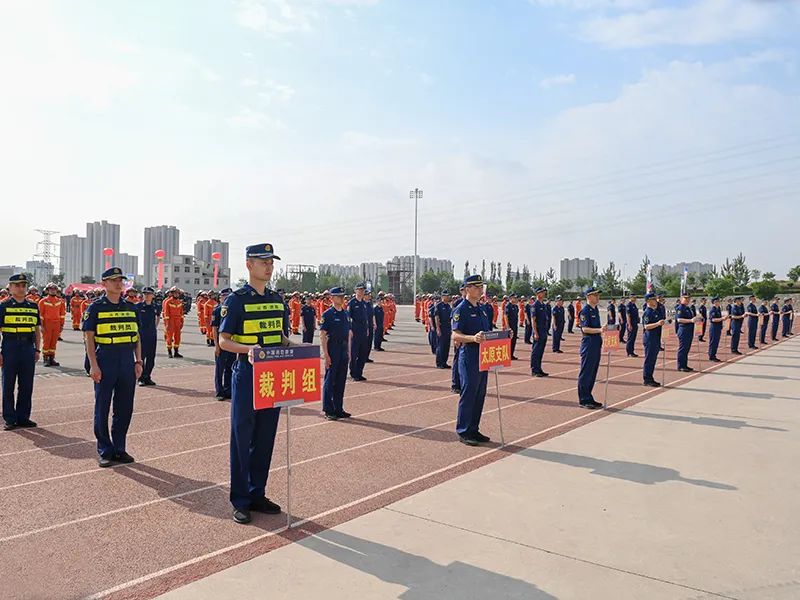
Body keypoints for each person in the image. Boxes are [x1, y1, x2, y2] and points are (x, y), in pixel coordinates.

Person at [219, 243, 292, 524]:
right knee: (242, 437)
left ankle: (257, 492)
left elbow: (280, 336)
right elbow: (223, 341)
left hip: (272, 376)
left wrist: (295, 347)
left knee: (265, 437)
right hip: (248, 374)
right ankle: (240, 499)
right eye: (263, 262)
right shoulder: (236, 301)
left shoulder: (277, 299)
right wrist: (246, 349)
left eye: (271, 262)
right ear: (249, 265)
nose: (269, 267)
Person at [82, 267, 143, 467]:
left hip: (126, 360)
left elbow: (137, 337)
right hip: (105, 359)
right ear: (104, 284)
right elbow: (89, 338)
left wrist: (138, 361)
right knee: (102, 407)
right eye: (113, 280)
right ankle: (105, 450)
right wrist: (93, 365)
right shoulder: (95, 308)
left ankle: (119, 448)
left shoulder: (131, 307)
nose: (118, 283)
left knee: (124, 407)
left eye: (120, 280)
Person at [452, 275, 490, 446]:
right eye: (477, 286)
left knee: (480, 393)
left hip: (483, 357)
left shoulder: (482, 309)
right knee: (469, 393)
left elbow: (487, 333)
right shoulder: (461, 309)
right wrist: (472, 338)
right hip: (469, 356)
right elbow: (455, 334)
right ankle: (464, 430)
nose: (480, 289)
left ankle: (474, 428)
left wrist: (504, 336)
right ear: (468, 289)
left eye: (481, 286)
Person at [1, 273, 41, 430]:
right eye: (17, 285)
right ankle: (10, 418)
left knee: (26, 385)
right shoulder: (3, 306)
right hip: (10, 348)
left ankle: (23, 417)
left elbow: (37, 330)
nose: (21, 288)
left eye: (23, 285)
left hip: (27, 349)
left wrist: (37, 349)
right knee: (8, 384)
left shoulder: (33, 306)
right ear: (10, 288)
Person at [320, 287, 352, 421]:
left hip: (343, 349)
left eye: (342, 296)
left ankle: (338, 408)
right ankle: (328, 409)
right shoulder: (327, 315)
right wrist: (326, 355)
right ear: (332, 298)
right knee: (330, 380)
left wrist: (349, 352)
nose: (341, 299)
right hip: (333, 348)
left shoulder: (345, 314)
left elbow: (349, 334)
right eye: (338, 296)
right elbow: (323, 335)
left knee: (340, 381)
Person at [577, 287, 604, 409]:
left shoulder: (595, 309)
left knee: (593, 371)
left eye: (598, 295)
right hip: (588, 343)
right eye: (595, 295)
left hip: (596, 342)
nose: (598, 297)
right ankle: (583, 399)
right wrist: (600, 330)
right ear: (588, 296)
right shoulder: (585, 311)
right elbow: (584, 328)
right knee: (586, 371)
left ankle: (589, 396)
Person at [210, 288, 234, 400]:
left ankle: (228, 390)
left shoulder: (233, 310)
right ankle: (219, 391)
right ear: (220, 298)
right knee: (220, 369)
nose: (227, 298)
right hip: (221, 343)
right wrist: (216, 345)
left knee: (230, 368)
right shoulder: (217, 310)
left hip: (232, 344)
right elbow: (214, 329)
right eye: (225, 296)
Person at [134, 287, 160, 386]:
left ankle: (147, 376)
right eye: (145, 294)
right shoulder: (138, 306)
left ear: (153, 295)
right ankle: (140, 377)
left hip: (152, 334)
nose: (147, 295)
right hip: (141, 334)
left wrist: (155, 327)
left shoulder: (156, 306)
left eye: (149, 294)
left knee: (151, 357)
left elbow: (158, 316)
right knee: (141, 357)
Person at [38, 282, 65, 367]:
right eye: (51, 289)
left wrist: (61, 325)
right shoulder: (43, 301)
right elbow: (40, 315)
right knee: (47, 341)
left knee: (54, 342)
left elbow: (62, 314)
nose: (53, 291)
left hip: (56, 324)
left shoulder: (60, 301)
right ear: (47, 290)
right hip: (47, 324)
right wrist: (41, 326)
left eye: (54, 289)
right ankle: (46, 359)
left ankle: (51, 358)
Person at [641, 292, 664, 386]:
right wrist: (658, 324)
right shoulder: (648, 312)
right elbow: (646, 326)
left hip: (656, 337)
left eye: (655, 299)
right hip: (650, 338)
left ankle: (650, 377)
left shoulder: (656, 311)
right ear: (648, 301)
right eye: (653, 299)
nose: (655, 301)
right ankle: (647, 379)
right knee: (649, 359)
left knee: (653, 359)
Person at [348, 283, 370, 382]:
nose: (361, 292)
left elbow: (366, 318)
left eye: (363, 290)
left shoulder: (364, 303)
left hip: (363, 331)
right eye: (360, 290)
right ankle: (353, 373)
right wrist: (349, 329)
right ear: (355, 291)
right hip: (355, 331)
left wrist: (368, 329)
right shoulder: (352, 303)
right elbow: (348, 318)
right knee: (354, 353)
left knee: (363, 353)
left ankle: (359, 372)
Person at [675, 292, 697, 372]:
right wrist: (691, 320)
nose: (687, 300)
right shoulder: (680, 308)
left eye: (688, 298)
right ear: (681, 299)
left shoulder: (688, 308)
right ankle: (680, 366)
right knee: (683, 348)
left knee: (686, 348)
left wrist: (697, 318)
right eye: (685, 298)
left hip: (689, 330)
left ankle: (684, 364)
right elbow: (679, 319)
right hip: (683, 330)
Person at [529, 287, 549, 376]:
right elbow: (533, 320)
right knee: (536, 351)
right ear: (537, 294)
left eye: (544, 292)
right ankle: (534, 370)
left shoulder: (543, 305)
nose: (543, 294)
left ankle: (539, 369)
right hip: (538, 330)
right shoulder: (534, 305)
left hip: (543, 330)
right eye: (542, 292)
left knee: (541, 351)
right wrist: (535, 333)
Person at [451, 285, 466, 393]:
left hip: (469, 339)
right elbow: (454, 320)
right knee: (457, 360)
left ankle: (463, 384)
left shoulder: (476, 304)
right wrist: (456, 337)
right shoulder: (458, 303)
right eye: (463, 289)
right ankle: (456, 384)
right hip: (460, 336)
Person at [163, 287, 185, 358]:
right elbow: (166, 314)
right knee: (169, 337)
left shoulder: (180, 302)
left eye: (177, 293)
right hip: (170, 321)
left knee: (177, 337)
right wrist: (167, 324)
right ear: (172, 293)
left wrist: (182, 322)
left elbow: (181, 314)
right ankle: (169, 352)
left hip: (178, 321)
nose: (176, 294)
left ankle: (176, 352)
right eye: (175, 293)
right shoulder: (168, 302)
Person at [435, 290, 453, 369]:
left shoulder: (448, 306)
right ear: (442, 296)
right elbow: (436, 317)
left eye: (448, 295)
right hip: (442, 326)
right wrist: (438, 328)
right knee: (441, 346)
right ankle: (439, 363)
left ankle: (444, 362)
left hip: (448, 327)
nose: (447, 297)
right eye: (446, 295)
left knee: (447, 346)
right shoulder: (439, 305)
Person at [707, 297, 724, 362]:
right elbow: (713, 319)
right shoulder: (713, 310)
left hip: (718, 327)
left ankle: (714, 355)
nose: (719, 302)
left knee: (716, 342)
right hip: (714, 327)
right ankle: (711, 356)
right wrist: (722, 319)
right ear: (715, 302)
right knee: (713, 342)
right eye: (718, 301)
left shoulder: (718, 308)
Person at [504, 293, 519, 360]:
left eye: (516, 298)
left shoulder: (516, 306)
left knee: (514, 341)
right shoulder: (508, 306)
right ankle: (507, 355)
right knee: (509, 341)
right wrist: (508, 327)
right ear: (510, 298)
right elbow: (506, 316)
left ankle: (511, 354)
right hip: (510, 326)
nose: (515, 299)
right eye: (514, 298)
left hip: (515, 326)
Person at [363, 290, 375, 364]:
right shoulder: (362, 304)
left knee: (370, 342)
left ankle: (367, 357)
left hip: (370, 325)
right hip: (364, 326)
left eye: (369, 295)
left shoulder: (370, 304)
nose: (369, 296)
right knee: (364, 343)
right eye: (367, 295)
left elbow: (373, 314)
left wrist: (374, 323)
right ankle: (362, 357)